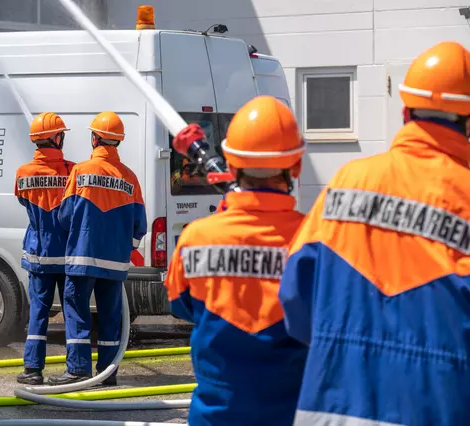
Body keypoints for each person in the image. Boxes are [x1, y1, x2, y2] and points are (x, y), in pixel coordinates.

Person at [279, 41, 470, 426]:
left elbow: (295, 294)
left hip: (329, 404)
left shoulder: (348, 180)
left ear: (405, 112)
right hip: (441, 407)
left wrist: (340, 350)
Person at [164, 96, 309, 426]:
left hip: (215, 415)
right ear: (296, 166)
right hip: (292, 413)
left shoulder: (196, 237)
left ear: (230, 166)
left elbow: (181, 305)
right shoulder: (315, 238)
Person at [49, 111, 147, 386]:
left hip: (82, 257)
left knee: (77, 311)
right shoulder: (130, 178)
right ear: (119, 142)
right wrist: (123, 247)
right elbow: (140, 225)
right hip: (115, 263)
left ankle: (78, 370)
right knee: (110, 317)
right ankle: (107, 372)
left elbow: (64, 217)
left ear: (94, 139)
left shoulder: (80, 171)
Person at [14, 112, 75, 385]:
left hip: (38, 254)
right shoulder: (73, 171)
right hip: (67, 254)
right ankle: (75, 368)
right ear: (56, 137)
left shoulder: (23, 173)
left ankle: (32, 370)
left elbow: (24, 203)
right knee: (72, 311)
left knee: (38, 313)